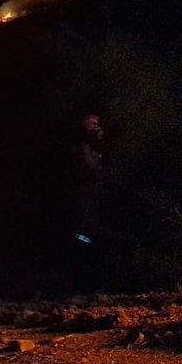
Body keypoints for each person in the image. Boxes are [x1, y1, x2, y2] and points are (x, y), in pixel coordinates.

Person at [71, 114, 105, 291]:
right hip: (83, 192)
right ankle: (80, 272)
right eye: (93, 125)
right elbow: (91, 168)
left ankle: (87, 272)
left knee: (90, 230)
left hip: (91, 192)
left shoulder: (90, 147)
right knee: (83, 231)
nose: (97, 128)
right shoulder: (82, 147)